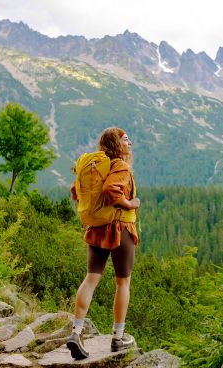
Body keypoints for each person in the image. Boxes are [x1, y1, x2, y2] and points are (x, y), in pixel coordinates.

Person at [67, 127, 141, 360]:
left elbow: (75, 192)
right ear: (117, 144)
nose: (130, 142)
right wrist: (129, 203)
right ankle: (118, 338)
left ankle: (76, 331)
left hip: (97, 229)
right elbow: (111, 189)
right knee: (123, 283)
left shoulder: (94, 166)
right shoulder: (119, 165)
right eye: (126, 139)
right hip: (120, 229)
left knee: (91, 279)